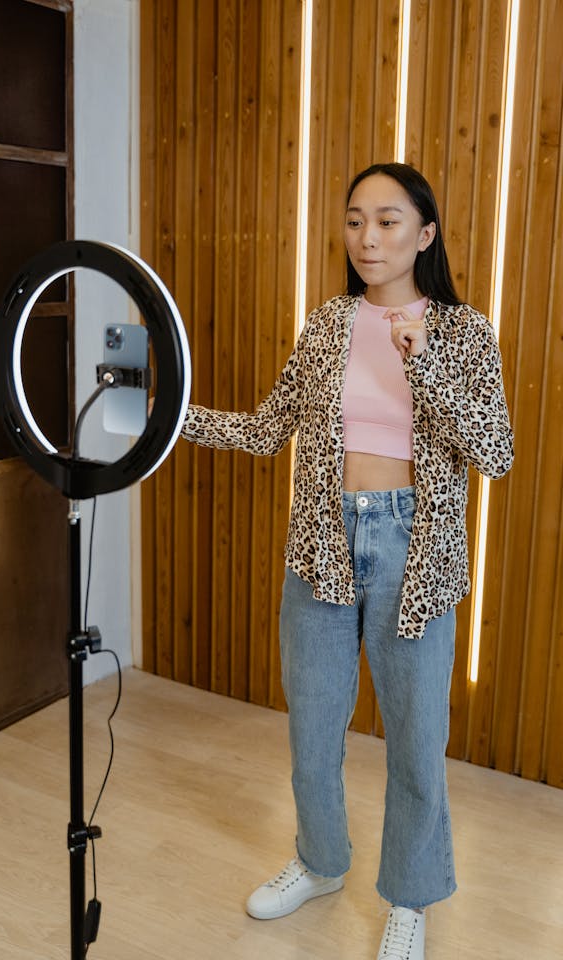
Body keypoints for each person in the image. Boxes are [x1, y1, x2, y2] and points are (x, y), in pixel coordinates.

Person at [180, 162, 513, 960]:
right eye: (356, 219)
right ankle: (321, 861)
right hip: (321, 541)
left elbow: (494, 452)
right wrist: (166, 420)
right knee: (314, 726)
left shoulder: (464, 334)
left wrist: (421, 360)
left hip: (415, 550)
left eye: (389, 220)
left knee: (415, 735)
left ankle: (409, 897)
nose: (369, 236)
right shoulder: (328, 323)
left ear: (424, 234)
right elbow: (268, 429)